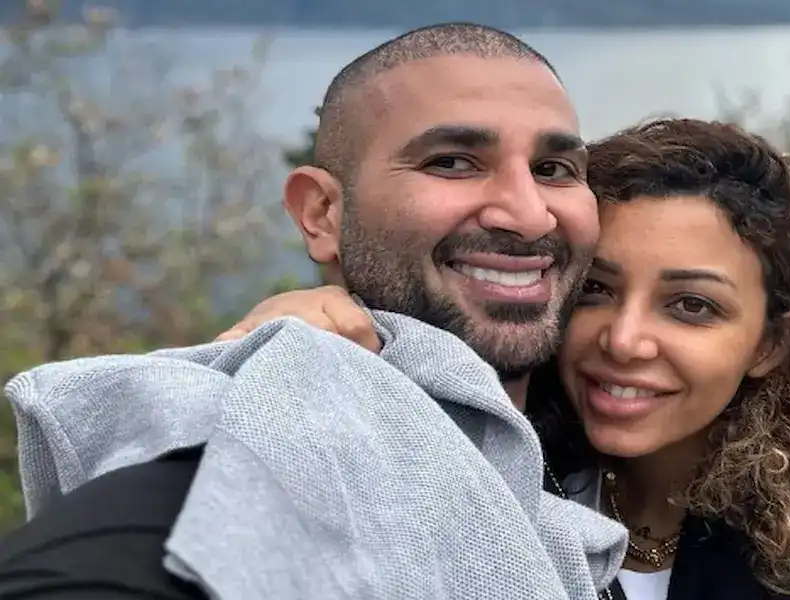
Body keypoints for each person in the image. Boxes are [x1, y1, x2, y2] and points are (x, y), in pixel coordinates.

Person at [0, 22, 627, 600]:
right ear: (321, 213)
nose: (528, 214)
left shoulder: (604, 445)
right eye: (452, 162)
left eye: (553, 169)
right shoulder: (253, 458)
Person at [208, 119, 790, 599]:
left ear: (771, 343)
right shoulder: (486, 467)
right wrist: (304, 332)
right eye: (597, 290)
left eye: (691, 306)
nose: (624, 340)